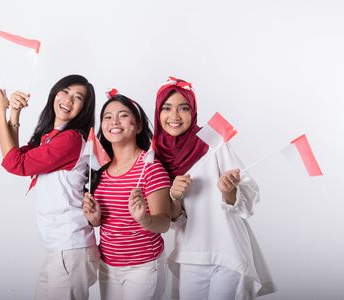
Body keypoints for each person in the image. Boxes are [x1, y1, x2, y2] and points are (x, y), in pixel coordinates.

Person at [153, 77, 276, 300]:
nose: (174, 116)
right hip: (191, 254)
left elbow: (249, 195)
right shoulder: (156, 156)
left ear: (193, 111)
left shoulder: (213, 142)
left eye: (184, 108)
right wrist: (175, 196)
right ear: (157, 112)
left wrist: (228, 190)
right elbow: (173, 220)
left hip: (227, 251)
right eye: (167, 108)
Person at [0, 74, 99, 300]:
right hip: (60, 249)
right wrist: (15, 112)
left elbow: (14, 164)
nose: (68, 99)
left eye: (77, 97)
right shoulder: (51, 136)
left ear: (84, 108)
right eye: (65, 91)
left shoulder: (70, 139)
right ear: (55, 93)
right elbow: (18, 155)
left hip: (70, 248)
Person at [82, 91, 171, 300]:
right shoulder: (99, 169)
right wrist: (95, 219)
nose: (114, 121)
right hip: (107, 265)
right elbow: (107, 222)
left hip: (143, 268)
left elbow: (164, 223)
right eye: (107, 117)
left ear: (138, 125)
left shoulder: (150, 167)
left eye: (123, 115)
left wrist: (144, 219)